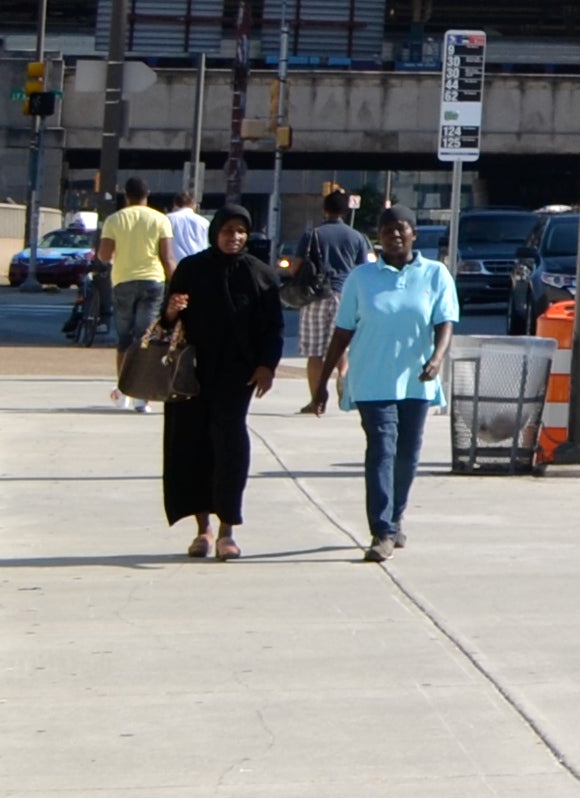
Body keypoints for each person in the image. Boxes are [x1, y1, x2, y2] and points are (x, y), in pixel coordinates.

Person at [331, 202, 456, 559]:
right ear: (378, 238)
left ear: (414, 234)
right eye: (387, 230)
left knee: (407, 454)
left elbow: (445, 321)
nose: (395, 234)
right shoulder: (361, 278)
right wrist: (321, 384)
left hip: (417, 379)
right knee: (382, 449)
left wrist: (436, 358)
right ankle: (381, 530)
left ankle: (396, 517)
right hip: (371, 379)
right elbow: (342, 332)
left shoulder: (435, 274)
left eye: (402, 228)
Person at [159, 203, 283, 560]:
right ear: (216, 233)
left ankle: (228, 528)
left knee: (229, 444)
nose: (235, 237)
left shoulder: (261, 274)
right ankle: (203, 530)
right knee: (193, 445)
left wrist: (267, 366)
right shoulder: (191, 269)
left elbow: (273, 327)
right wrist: (171, 311)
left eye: (241, 231)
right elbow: (166, 322)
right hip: (192, 374)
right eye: (228, 231)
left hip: (237, 375)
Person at [291, 185, 374, 413]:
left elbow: (296, 266)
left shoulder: (312, 234)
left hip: (316, 296)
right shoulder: (358, 237)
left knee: (315, 351)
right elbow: (365, 268)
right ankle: (343, 376)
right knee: (342, 346)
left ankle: (316, 399)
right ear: (346, 212)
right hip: (346, 296)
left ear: (325, 210)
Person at [98, 180, 175, 409]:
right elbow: (168, 257)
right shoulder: (161, 219)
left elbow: (104, 255)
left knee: (124, 337)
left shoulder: (114, 220)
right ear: (147, 193)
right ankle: (142, 395)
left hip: (123, 280)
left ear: (125, 194)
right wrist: (180, 283)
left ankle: (123, 389)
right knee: (145, 339)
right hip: (153, 280)